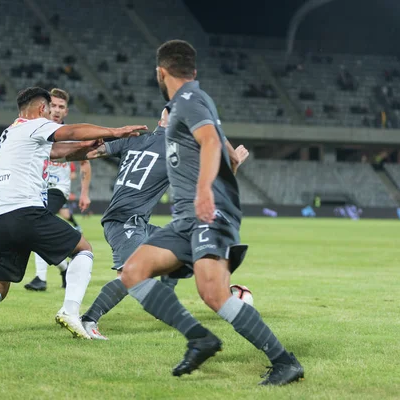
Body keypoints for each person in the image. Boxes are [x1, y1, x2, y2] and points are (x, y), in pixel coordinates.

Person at [118, 40, 304, 385]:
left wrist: (205, 190)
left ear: (161, 72)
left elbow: (212, 142)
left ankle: (284, 362)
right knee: (133, 271)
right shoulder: (189, 101)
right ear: (193, 70)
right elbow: (228, 156)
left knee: (213, 293)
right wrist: (222, 171)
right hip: (188, 217)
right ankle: (199, 337)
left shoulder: (189, 99)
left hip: (208, 212)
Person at [0, 87, 146, 340]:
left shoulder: (10, 133)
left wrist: (87, 146)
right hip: (25, 211)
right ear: (42, 109)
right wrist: (114, 132)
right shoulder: (35, 126)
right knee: (83, 250)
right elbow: (71, 131)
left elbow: (59, 152)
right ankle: (70, 312)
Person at [70, 108, 249, 340]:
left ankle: (165, 294)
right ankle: (88, 319)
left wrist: (58, 150)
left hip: (136, 221)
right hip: (124, 222)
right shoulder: (178, 151)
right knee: (130, 275)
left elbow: (92, 153)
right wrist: (234, 165)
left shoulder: (133, 140)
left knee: (182, 247)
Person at [24, 88, 92, 291]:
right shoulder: (37, 129)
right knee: (31, 231)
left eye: (61, 107)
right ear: (45, 106)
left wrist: (84, 193)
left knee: (37, 222)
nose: (56, 110)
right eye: (53, 105)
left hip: (56, 189)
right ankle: (64, 267)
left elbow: (85, 164)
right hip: (36, 187)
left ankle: (40, 279)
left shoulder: (70, 135)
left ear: (66, 112)